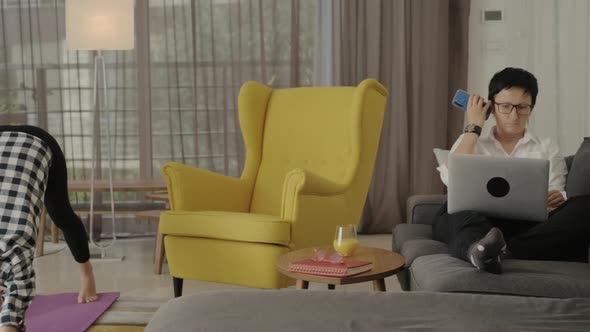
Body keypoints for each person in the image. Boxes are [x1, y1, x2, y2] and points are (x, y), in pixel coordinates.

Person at [433, 67, 590, 274]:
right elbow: (451, 180)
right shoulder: (472, 140)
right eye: (505, 106)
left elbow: (557, 191)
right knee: (451, 211)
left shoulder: (546, 146)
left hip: (525, 227)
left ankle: (502, 251)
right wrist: (473, 127)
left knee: (585, 205)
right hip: (480, 222)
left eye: (522, 107)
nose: (514, 115)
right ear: (491, 107)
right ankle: (477, 249)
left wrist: (557, 197)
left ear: (531, 108)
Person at [0, 125, 98, 332]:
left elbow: (11, 320)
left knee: (60, 214)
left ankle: (87, 273)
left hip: (38, 143)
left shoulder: (16, 252)